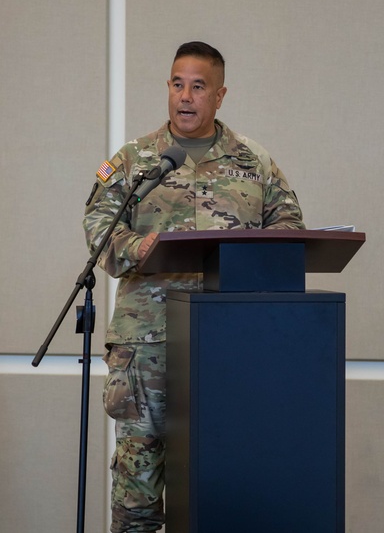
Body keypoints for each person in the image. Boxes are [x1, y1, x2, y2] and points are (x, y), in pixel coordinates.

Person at [84, 41, 305, 531]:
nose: (186, 96)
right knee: (137, 494)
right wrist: (139, 248)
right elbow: (100, 227)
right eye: (177, 84)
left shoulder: (255, 162)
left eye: (198, 87)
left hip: (231, 346)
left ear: (220, 95)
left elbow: (289, 227)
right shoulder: (135, 160)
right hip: (147, 348)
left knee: (224, 483)